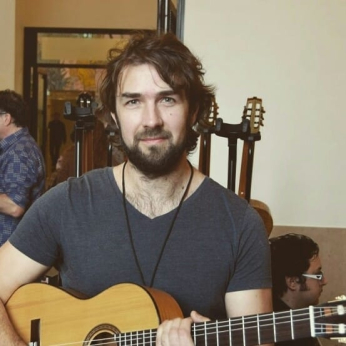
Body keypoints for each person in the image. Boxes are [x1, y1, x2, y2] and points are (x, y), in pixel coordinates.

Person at [0, 32, 273, 345]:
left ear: (194, 111)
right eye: (133, 102)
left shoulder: (240, 225)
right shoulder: (67, 204)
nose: (151, 120)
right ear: (115, 116)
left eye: (167, 99)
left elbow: (258, 341)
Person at [0, 89, 45, 247]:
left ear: (6, 119)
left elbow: (15, 206)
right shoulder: (15, 147)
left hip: (10, 247)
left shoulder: (19, 152)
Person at [269, 233, 327, 346]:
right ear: (292, 282)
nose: (324, 281)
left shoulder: (298, 319)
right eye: (318, 275)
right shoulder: (288, 333)